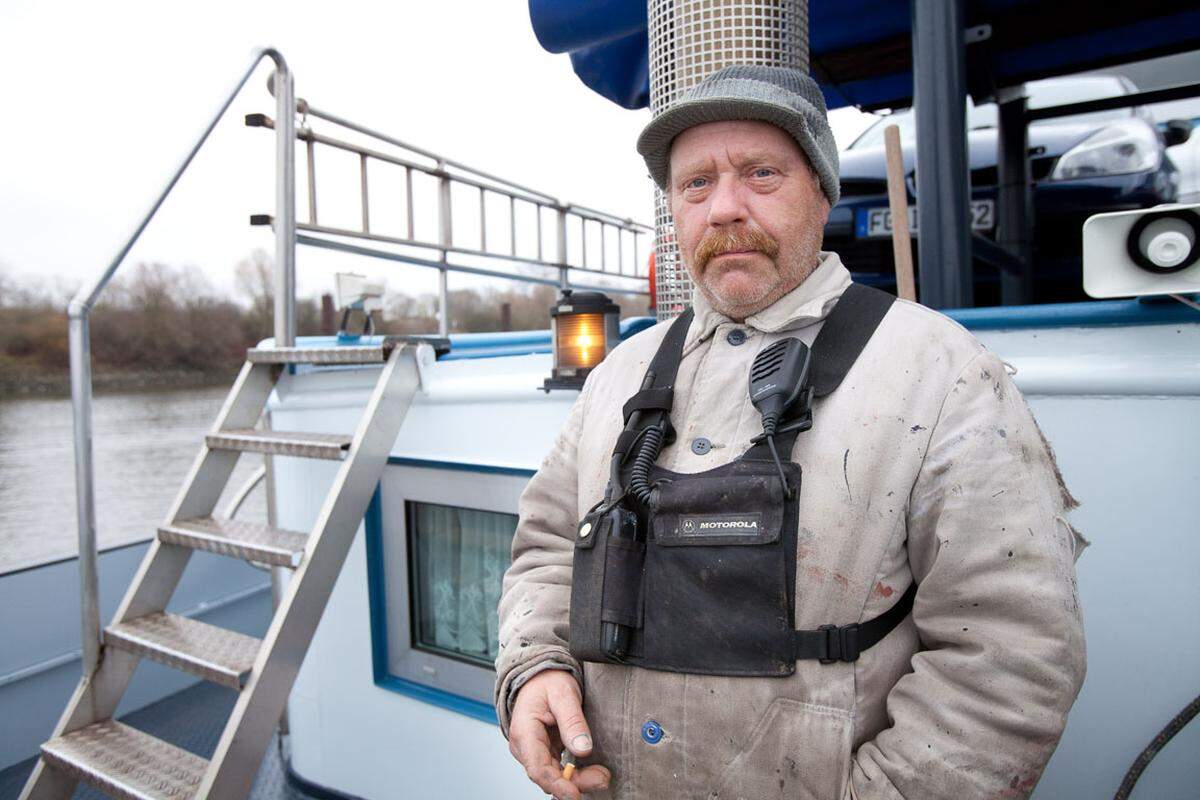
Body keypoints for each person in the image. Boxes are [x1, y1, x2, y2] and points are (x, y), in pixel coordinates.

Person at [494, 65, 1086, 800]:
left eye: (761, 173)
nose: (724, 209)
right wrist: (534, 666)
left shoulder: (942, 372)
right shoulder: (621, 374)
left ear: (822, 191)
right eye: (696, 185)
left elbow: (1010, 654)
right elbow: (549, 548)